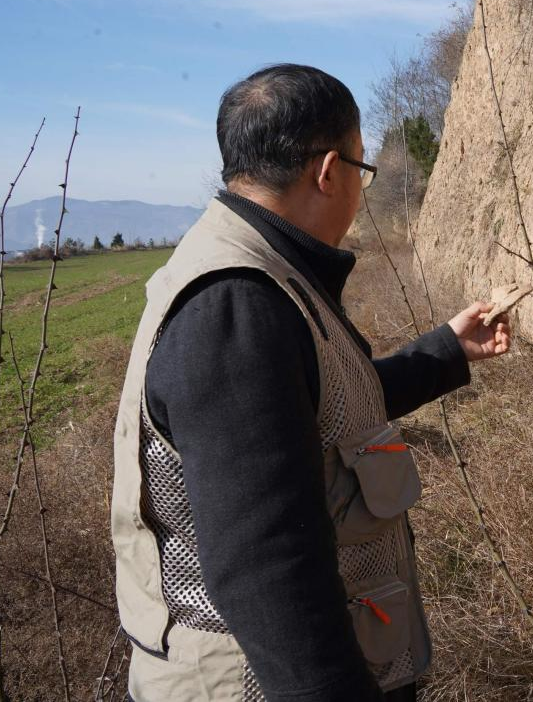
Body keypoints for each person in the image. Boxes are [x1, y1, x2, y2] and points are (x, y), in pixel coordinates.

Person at [111, 64, 510, 702]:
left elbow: (318, 412)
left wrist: (446, 351)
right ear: (329, 172)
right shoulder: (236, 305)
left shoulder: (262, 271)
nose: (359, 188)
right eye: (362, 169)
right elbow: (267, 567)